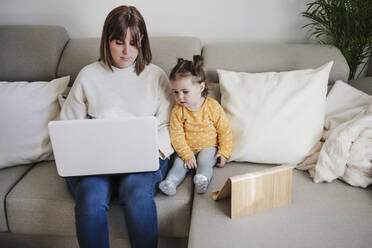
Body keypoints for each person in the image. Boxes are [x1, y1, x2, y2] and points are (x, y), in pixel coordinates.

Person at [59, 5, 173, 248]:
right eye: (119, 42)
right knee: (90, 198)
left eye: (133, 43)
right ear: (107, 40)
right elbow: (67, 126)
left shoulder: (156, 76)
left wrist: (153, 151)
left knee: (137, 195)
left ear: (141, 40)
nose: (126, 51)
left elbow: (169, 125)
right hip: (96, 162)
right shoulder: (88, 75)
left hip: (144, 159)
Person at [159, 56, 233, 196]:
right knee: (178, 164)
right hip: (186, 149)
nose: (180, 97)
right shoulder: (177, 110)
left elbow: (225, 130)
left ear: (201, 87)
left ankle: (202, 179)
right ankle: (171, 182)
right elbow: (176, 135)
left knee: (205, 160)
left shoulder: (212, 106)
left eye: (185, 92)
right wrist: (186, 155)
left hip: (208, 147)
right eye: (175, 92)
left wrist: (224, 152)